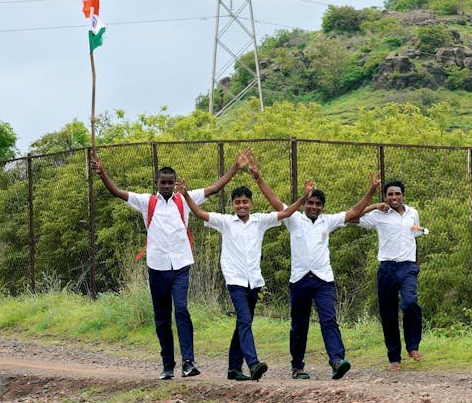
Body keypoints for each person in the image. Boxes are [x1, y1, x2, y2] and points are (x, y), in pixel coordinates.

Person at [91, 149, 251, 380]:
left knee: (182, 310)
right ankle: (167, 365)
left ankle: (188, 361)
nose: (166, 186)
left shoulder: (184, 199)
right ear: (156, 183)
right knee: (162, 318)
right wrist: (102, 173)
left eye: (170, 182)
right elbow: (117, 192)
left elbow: (215, 187)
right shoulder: (147, 202)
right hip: (157, 267)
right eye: (163, 182)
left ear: (175, 183)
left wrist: (236, 167)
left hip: (181, 265)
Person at [250, 161, 381, 380]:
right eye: (310, 202)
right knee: (299, 325)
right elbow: (274, 201)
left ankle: (337, 360)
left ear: (322, 206)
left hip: (323, 280)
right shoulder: (294, 218)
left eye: (318, 204)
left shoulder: (327, 222)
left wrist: (372, 190)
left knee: (329, 319)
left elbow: (355, 212)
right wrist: (258, 178)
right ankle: (297, 366)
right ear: (305, 204)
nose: (313, 207)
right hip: (300, 280)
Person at [180, 176, 314, 381]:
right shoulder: (225, 222)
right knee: (244, 320)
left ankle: (234, 368)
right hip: (235, 280)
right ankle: (253, 363)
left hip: (254, 280)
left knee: (244, 322)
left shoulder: (260, 220)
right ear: (232, 205)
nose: (241, 206)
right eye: (237, 202)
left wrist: (304, 198)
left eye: (245, 202)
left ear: (251, 203)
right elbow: (199, 213)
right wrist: (186, 194)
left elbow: (286, 212)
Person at [349, 179, 425, 371]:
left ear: (403, 196)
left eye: (397, 194)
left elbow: (415, 233)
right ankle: (394, 358)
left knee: (410, 303)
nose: (394, 197)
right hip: (387, 268)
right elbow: (351, 217)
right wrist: (373, 205)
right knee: (388, 312)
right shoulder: (378, 215)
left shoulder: (412, 213)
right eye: (390, 194)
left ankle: (413, 347)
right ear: (385, 197)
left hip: (408, 266)